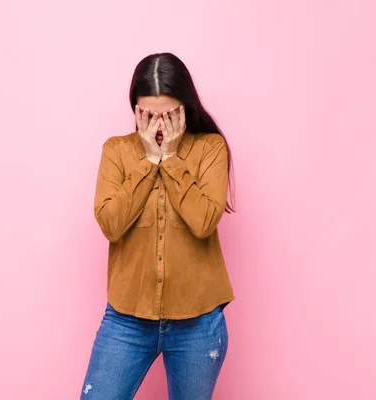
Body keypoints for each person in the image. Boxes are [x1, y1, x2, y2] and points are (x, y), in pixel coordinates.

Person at [80, 52, 236, 400]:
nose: (158, 126)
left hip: (198, 323)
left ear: (185, 107)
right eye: (147, 115)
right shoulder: (117, 152)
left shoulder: (210, 149)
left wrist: (174, 159)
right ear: (134, 109)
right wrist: (150, 161)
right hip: (127, 320)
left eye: (168, 114)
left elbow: (203, 223)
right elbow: (110, 224)